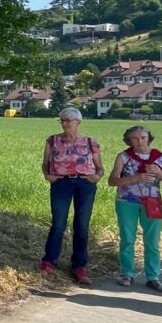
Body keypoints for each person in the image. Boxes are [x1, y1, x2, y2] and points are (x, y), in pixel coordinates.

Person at [38, 106, 103, 286]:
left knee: (81, 226)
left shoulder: (90, 142)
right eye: (62, 120)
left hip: (85, 185)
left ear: (78, 122)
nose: (65, 124)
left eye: (68, 120)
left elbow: (100, 167)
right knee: (58, 224)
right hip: (61, 184)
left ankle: (79, 266)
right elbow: (45, 163)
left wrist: (96, 177)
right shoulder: (52, 140)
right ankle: (48, 262)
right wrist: (47, 175)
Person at [109, 125, 162, 291]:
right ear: (129, 140)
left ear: (149, 138)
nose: (139, 141)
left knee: (152, 241)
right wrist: (136, 178)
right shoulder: (123, 157)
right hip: (127, 201)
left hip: (153, 202)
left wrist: (159, 173)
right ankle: (127, 273)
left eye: (143, 138)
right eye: (135, 138)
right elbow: (112, 181)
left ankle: (153, 277)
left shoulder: (159, 157)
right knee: (127, 238)